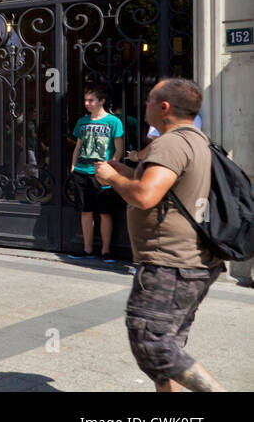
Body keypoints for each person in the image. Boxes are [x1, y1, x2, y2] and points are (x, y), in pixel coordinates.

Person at [94, 78, 226, 392]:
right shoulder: (196, 140)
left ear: (163, 107)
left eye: (150, 100)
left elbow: (145, 196)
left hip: (170, 264)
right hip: (191, 263)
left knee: (151, 343)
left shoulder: (171, 142)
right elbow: (167, 188)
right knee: (169, 348)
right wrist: (125, 172)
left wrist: (112, 177)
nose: (146, 105)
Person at [69, 83, 126, 261]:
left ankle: (106, 250)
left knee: (104, 212)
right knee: (85, 211)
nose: (87, 103)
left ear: (101, 101)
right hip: (81, 170)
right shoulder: (82, 121)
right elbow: (78, 146)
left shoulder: (113, 121)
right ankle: (87, 250)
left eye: (91, 100)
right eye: (86, 100)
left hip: (102, 173)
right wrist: (73, 165)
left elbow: (119, 148)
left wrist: (111, 168)